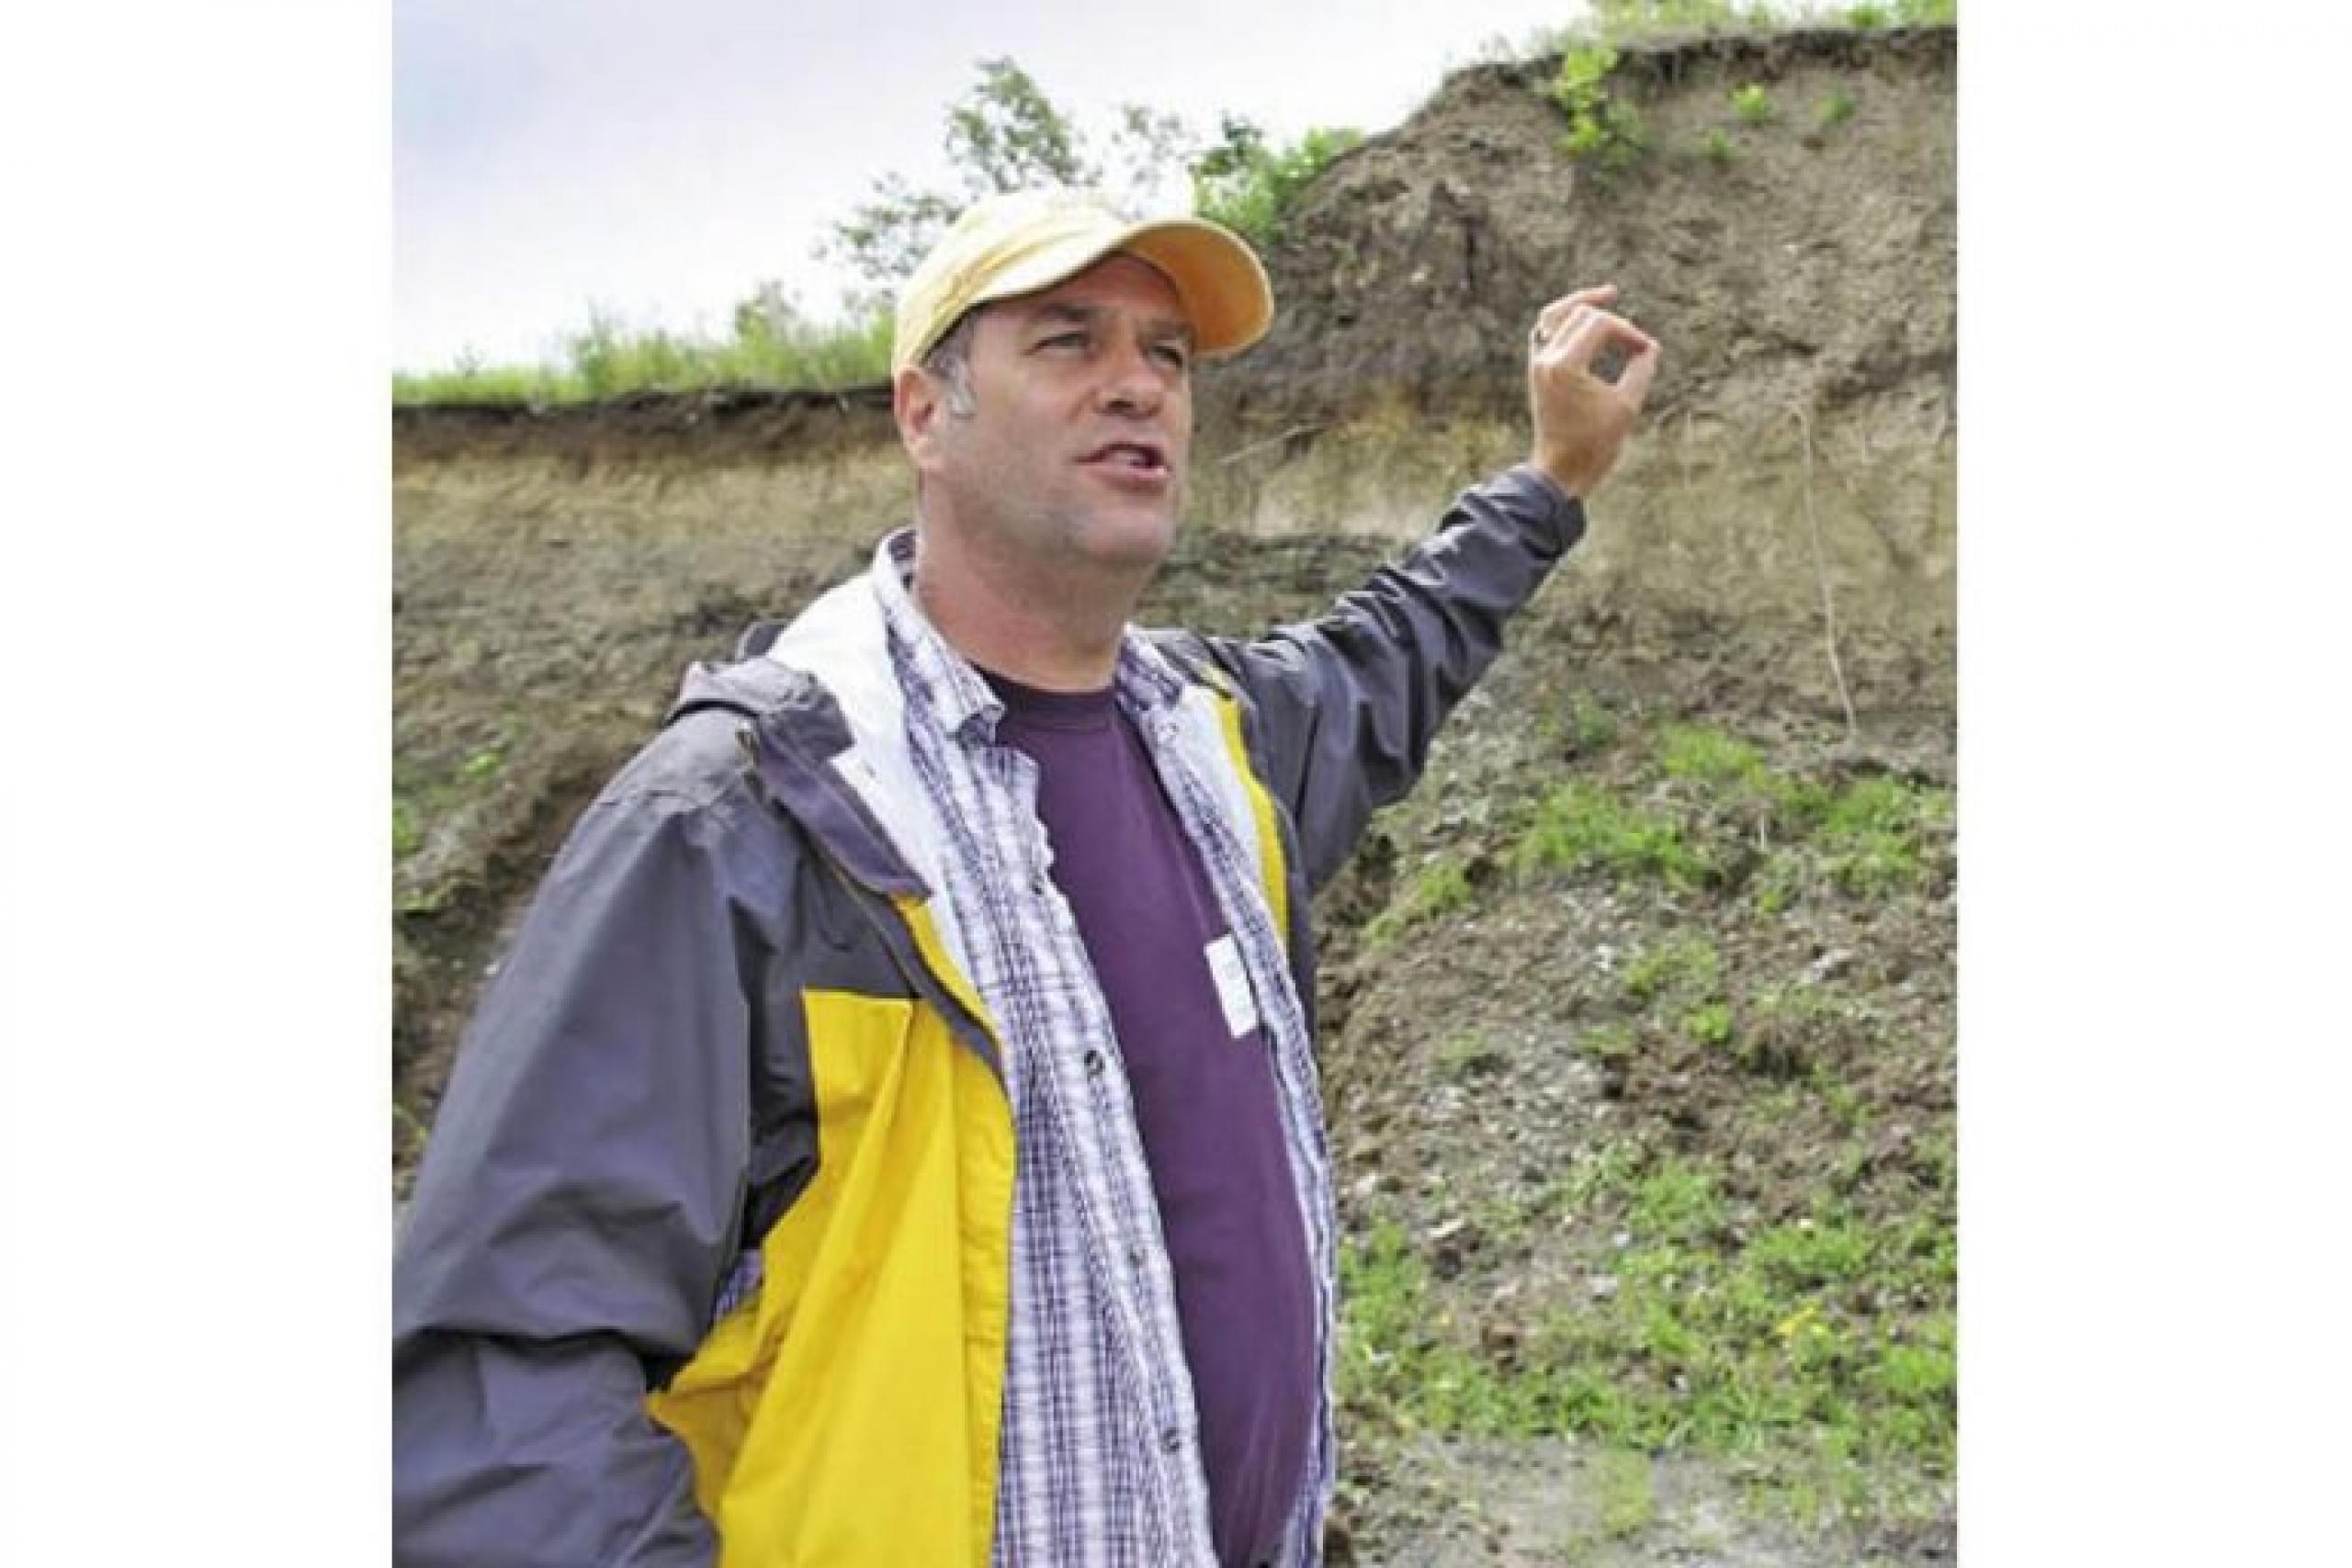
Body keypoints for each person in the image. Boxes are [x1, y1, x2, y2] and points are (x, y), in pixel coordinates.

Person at [392, 186, 1659, 1568]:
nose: (1138, 387)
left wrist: (1550, 483)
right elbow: (502, 1383)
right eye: (1068, 342)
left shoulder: (1216, 748)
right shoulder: (756, 823)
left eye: (1166, 356)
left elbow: (1393, 652)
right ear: (925, 413)